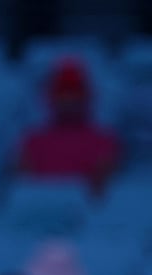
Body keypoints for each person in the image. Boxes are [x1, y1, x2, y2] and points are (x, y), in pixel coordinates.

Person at [16, 57, 122, 195]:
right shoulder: (32, 142)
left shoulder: (105, 141)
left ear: (86, 99)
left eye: (75, 97)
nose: (69, 102)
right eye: (63, 97)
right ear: (51, 99)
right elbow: (20, 187)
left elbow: (112, 190)